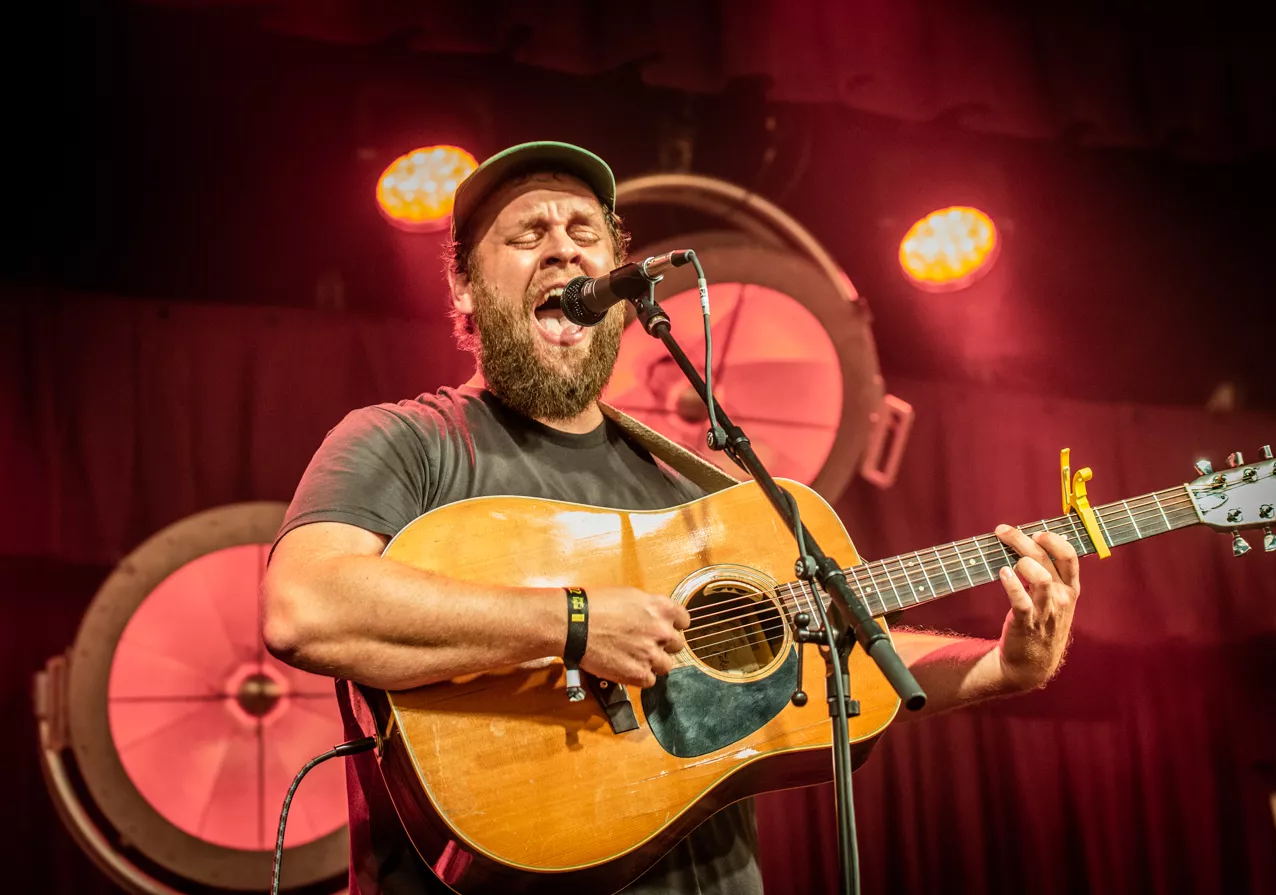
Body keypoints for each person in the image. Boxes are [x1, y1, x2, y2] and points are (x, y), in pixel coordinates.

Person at [262, 141, 1081, 895]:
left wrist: (1004, 666)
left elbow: (850, 651)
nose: (563, 246)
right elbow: (306, 606)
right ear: (464, 286)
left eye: (587, 230)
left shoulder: (702, 491)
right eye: (527, 234)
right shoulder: (406, 441)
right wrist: (573, 622)